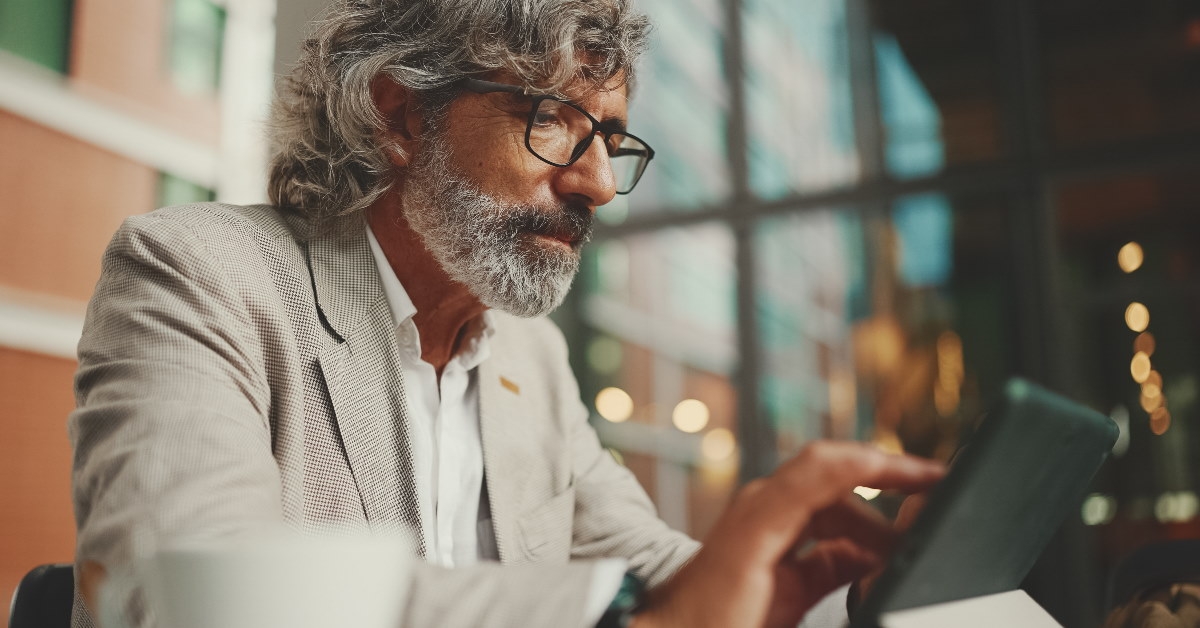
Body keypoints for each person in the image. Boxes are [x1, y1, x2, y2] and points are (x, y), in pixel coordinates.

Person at [68, 1, 944, 626]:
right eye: (555, 121)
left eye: (611, 140)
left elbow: (647, 566)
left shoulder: (531, 354)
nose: (598, 184)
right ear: (400, 114)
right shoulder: (195, 271)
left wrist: (847, 591)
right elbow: (191, 599)